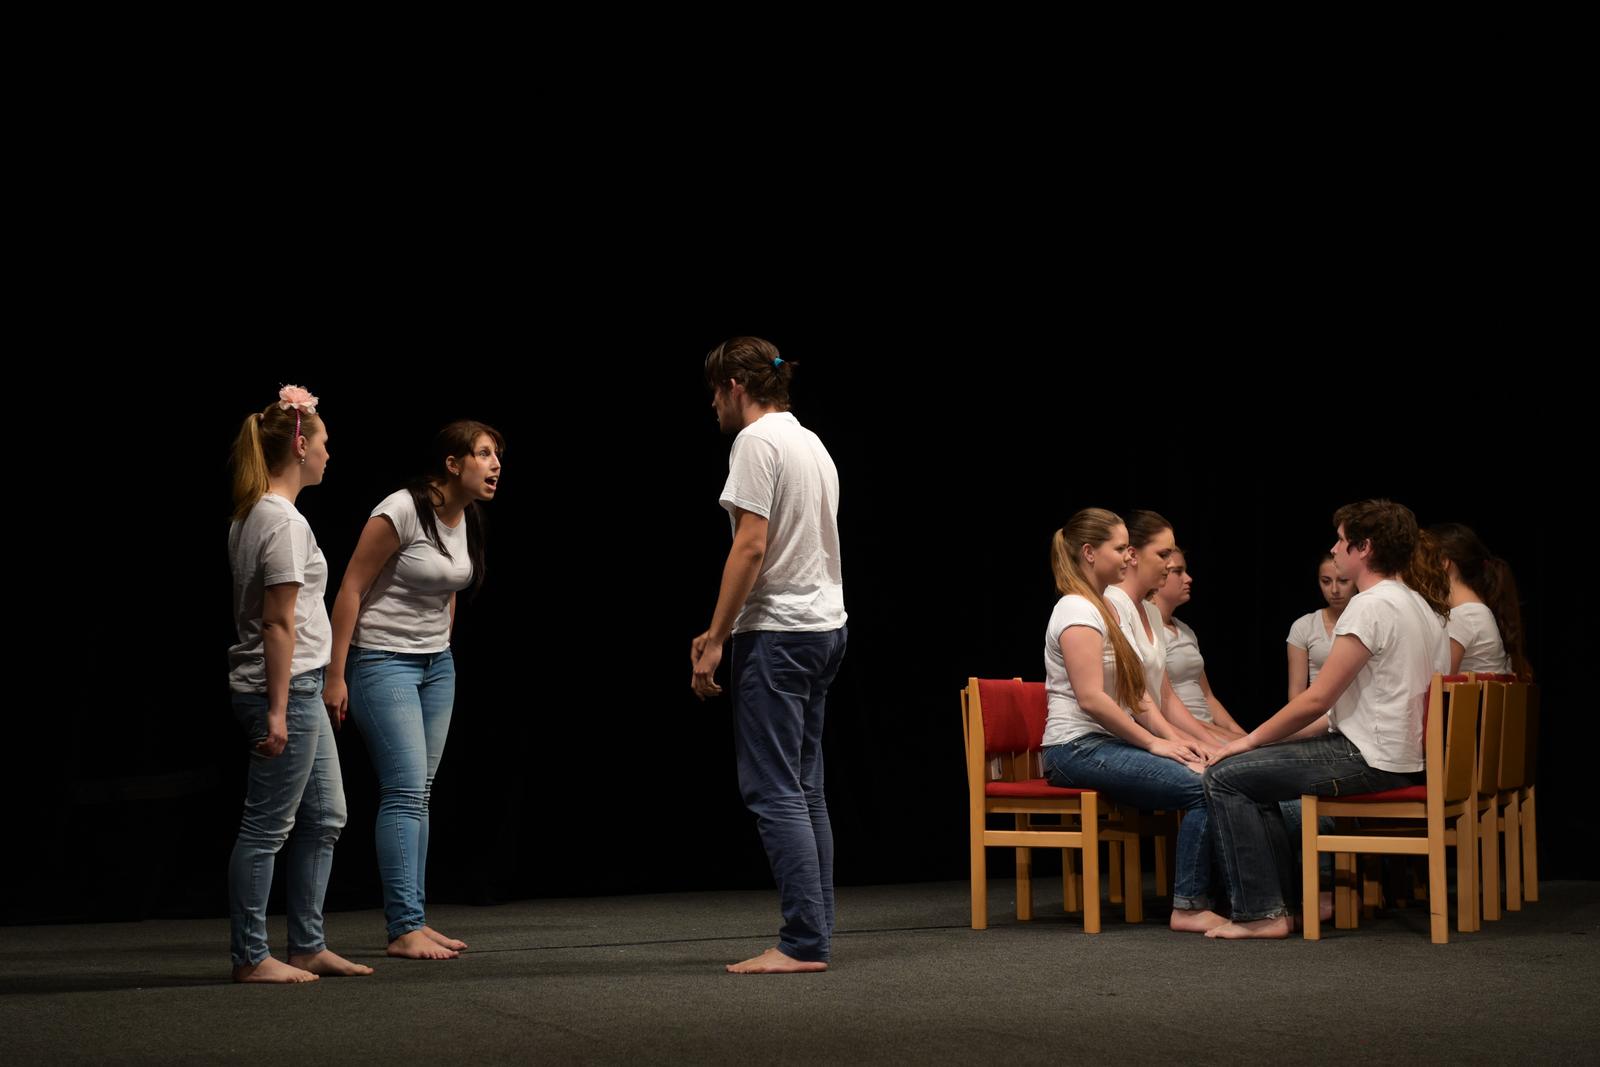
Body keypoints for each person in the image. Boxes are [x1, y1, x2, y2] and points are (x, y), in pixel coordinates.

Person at [1203, 500, 1451, 939]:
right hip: (1403, 758)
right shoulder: (1422, 606)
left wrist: (1248, 741)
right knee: (1250, 774)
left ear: (1364, 548)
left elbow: (1317, 699)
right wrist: (1265, 743)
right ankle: (1280, 905)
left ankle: (1262, 913)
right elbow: (1346, 707)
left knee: (1224, 776)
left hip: (1369, 758)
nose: (1334, 550)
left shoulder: (1370, 606)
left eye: (1340, 541)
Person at [690, 337, 847, 974]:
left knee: (776, 788)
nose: (712, 404)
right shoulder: (810, 441)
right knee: (805, 787)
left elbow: (751, 546)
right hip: (822, 629)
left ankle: (804, 942)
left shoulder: (756, 442)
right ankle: (815, 934)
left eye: (713, 390)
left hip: (779, 635)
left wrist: (716, 637)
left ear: (735, 385)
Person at [325, 420, 504, 960]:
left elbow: (449, 585)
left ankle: (415, 920)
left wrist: (440, 643)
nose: (496, 465)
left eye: (497, 455)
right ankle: (403, 927)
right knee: (404, 791)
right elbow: (351, 587)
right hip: (381, 661)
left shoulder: (467, 517)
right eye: (484, 454)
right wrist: (336, 674)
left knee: (419, 792)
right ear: (452, 463)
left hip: (437, 667)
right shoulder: (400, 510)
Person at [226, 385, 370, 982]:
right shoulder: (280, 522)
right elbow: (277, 622)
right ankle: (251, 956)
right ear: (302, 446)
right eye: (325, 443)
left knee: (327, 814)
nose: (330, 455)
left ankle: (307, 945)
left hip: (299, 686)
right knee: (267, 827)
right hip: (283, 690)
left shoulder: (258, 514)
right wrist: (279, 710)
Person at [1039, 508, 1224, 934]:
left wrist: (1177, 741)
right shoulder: (1075, 609)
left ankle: (1224, 895)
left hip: (1103, 743)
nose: (1128, 556)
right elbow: (1091, 699)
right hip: (1073, 748)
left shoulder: (1106, 606)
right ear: (1090, 553)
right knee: (1203, 789)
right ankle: (1189, 907)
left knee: (1210, 774)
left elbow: (1136, 692)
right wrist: (1154, 743)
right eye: (1120, 548)